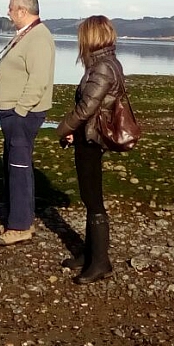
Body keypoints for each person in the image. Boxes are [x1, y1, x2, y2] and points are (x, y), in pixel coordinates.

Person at [56, 15, 124, 284]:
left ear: (92, 37)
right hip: (88, 135)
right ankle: (90, 254)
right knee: (89, 197)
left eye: (82, 35)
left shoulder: (103, 67)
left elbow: (87, 108)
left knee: (93, 199)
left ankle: (100, 263)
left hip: (92, 139)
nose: (79, 40)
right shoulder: (105, 63)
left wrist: (63, 128)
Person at [0, 0, 55, 246]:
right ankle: (17, 220)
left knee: (18, 168)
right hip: (14, 111)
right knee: (14, 166)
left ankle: (19, 227)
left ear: (22, 11)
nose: (8, 12)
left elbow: (38, 80)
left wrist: (20, 111)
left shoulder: (38, 37)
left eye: (10, 8)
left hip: (23, 114)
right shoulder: (27, 34)